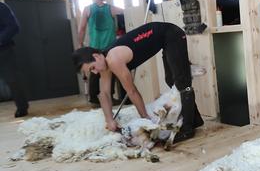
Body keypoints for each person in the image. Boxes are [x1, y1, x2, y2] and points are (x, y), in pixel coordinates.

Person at [72, 22, 203, 144]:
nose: (95, 72)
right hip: (165, 39)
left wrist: (145, 118)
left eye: (92, 68)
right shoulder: (105, 65)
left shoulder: (113, 60)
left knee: (182, 82)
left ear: (96, 56)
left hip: (172, 34)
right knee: (171, 80)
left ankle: (187, 129)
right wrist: (109, 120)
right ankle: (195, 120)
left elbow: (132, 91)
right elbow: (104, 94)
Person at [78, 0, 124, 105]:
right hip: (110, 46)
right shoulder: (111, 8)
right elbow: (125, 11)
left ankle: (93, 98)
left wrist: (80, 44)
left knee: (94, 71)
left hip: (94, 46)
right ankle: (110, 97)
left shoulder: (87, 9)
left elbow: (82, 28)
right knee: (110, 70)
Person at [0, 2, 29, 117]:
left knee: (13, 79)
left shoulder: (1, 7)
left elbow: (13, 26)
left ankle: (22, 107)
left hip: (3, 49)